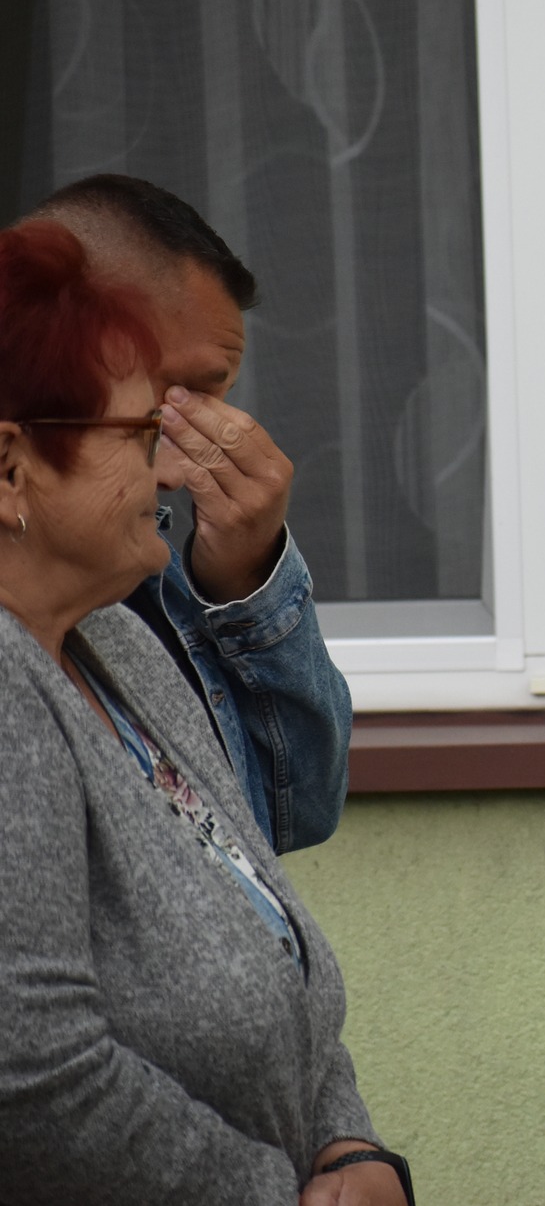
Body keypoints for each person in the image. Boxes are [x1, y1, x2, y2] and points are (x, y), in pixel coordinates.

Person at [0, 220, 409, 1204]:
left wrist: (348, 1147)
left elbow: (274, 937)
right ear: (11, 467)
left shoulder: (117, 643)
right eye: (144, 432)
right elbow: (31, 1071)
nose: (175, 469)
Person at [25, 174, 351, 854]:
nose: (178, 468)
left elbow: (287, 817)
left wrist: (246, 585)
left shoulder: (134, 579)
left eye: (207, 405)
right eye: (164, 404)